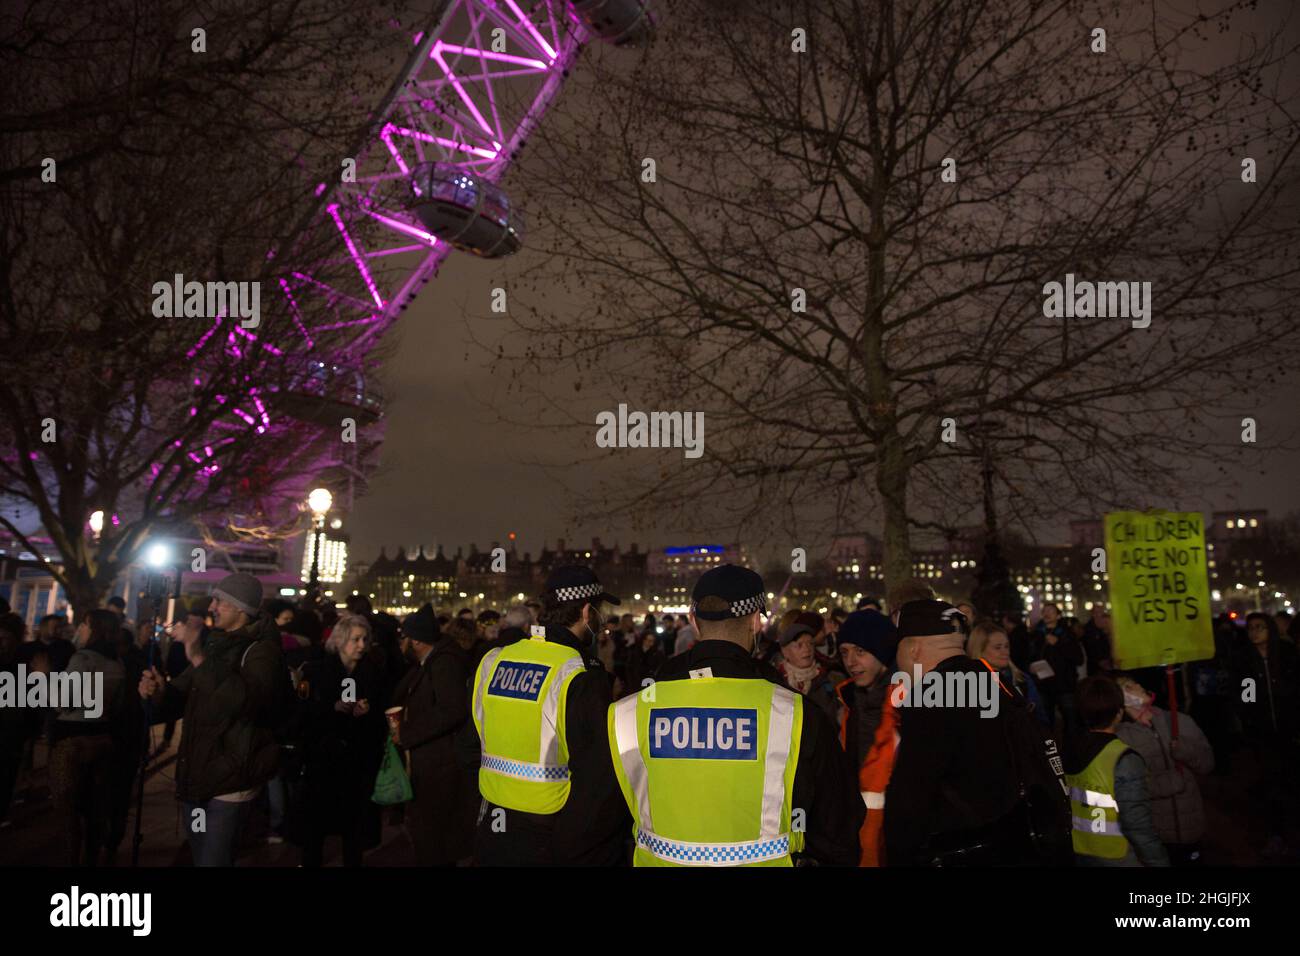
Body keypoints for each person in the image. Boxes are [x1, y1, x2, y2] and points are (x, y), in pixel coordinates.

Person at [624, 564, 863, 865]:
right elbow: (838, 827)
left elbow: (602, 820)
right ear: (755, 623)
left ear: (694, 621)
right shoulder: (798, 714)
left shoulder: (630, 712)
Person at [470, 565, 629, 866]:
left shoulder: (494, 660)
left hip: (492, 823)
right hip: (549, 829)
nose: (602, 618)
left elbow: (469, 744)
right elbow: (595, 776)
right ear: (586, 612)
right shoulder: (579, 672)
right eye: (600, 611)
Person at [138, 572, 285, 866]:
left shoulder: (262, 652)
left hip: (230, 784)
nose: (212, 607)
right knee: (200, 856)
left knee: (213, 862)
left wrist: (195, 654)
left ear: (241, 609)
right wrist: (158, 691)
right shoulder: (218, 645)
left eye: (220, 601)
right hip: (199, 778)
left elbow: (243, 701)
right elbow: (184, 694)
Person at [883, 600, 1026, 866]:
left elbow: (911, 799)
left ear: (913, 649)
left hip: (957, 850)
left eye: (897, 651)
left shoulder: (929, 699)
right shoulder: (995, 681)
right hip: (1011, 843)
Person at [390, 604, 477, 866]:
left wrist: (407, 733)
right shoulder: (429, 662)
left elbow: (451, 709)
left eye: (404, 637)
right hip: (431, 762)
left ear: (415, 640)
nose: (401, 643)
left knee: (432, 834)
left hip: (439, 765)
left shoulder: (444, 663)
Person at [300, 613, 387, 866]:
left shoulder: (372, 672)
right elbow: (303, 713)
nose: (361, 645)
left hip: (357, 762)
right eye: (355, 639)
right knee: (316, 824)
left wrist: (368, 713)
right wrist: (331, 708)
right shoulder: (318, 670)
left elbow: (381, 711)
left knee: (354, 826)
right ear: (340, 641)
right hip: (323, 760)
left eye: (364, 639)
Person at [48, 608, 126, 865]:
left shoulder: (82, 659)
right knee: (95, 810)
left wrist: (42, 677)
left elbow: (62, 702)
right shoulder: (117, 663)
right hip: (103, 740)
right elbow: (117, 707)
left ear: (95, 630)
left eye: (84, 625)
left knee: (66, 811)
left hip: (73, 742)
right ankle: (93, 859)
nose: (79, 629)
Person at [1065, 676, 1169, 866]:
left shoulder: (1067, 751)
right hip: (1119, 855)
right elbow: (1137, 824)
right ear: (1119, 713)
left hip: (1080, 850)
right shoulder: (1122, 758)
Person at [1112, 676, 1213, 865]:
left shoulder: (1178, 720)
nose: (1138, 685)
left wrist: (1186, 751)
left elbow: (1207, 764)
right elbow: (1126, 790)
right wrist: (1167, 783)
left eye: (1136, 682)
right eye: (1128, 686)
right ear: (1120, 700)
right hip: (1157, 836)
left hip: (1192, 828)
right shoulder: (1121, 738)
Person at [1229, 612, 1299, 860]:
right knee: (1272, 785)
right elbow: (1246, 696)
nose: (1255, 632)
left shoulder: (1288, 655)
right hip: (1263, 735)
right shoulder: (1244, 661)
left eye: (1260, 627)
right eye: (1251, 628)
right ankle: (1277, 834)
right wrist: (1250, 718)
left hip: (1291, 733)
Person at [833, 610, 897, 771]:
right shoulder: (849, 703)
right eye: (844, 652)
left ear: (882, 651)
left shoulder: (909, 704)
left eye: (860, 651)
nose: (850, 662)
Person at [967, 620, 1048, 726]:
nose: (1005, 652)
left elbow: (1041, 720)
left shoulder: (1021, 679)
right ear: (979, 650)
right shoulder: (967, 683)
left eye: (1006, 646)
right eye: (998, 647)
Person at [1028, 602, 1084, 742]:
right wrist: (1030, 667)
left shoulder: (1067, 633)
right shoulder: (1036, 633)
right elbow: (1029, 655)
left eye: (1051, 611)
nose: (1046, 613)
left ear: (1058, 615)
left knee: (1070, 720)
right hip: (1043, 684)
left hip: (1064, 685)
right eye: (1044, 611)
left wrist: (1058, 644)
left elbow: (1078, 658)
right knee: (1045, 720)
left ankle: (1071, 751)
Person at [774, 618, 844, 725]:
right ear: (785, 652)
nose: (807, 649)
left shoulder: (831, 679)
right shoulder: (775, 681)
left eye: (810, 643)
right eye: (799, 645)